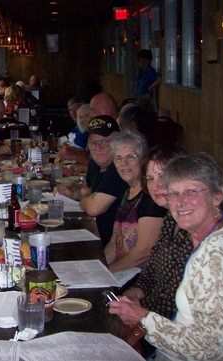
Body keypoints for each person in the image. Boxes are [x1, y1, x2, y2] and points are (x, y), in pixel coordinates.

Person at [109, 153, 223, 361]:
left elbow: (210, 348)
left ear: (217, 196)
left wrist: (142, 318)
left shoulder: (215, 256)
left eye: (191, 192)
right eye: (174, 194)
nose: (180, 203)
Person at [123, 143, 191, 335]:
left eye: (163, 176)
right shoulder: (170, 218)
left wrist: (140, 312)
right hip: (149, 317)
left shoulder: (192, 227)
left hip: (167, 330)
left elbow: (173, 300)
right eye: (150, 178)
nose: (156, 185)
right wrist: (134, 292)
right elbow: (152, 270)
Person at [56, 115, 128, 247]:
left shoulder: (119, 169)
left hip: (108, 244)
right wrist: (72, 193)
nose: (98, 147)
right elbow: (88, 190)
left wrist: (84, 196)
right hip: (93, 233)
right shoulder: (95, 164)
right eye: (93, 142)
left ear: (118, 143)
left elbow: (94, 208)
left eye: (105, 141)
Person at [103, 130, 166, 272]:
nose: (123, 163)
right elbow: (114, 243)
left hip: (142, 280)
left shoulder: (152, 197)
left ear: (143, 160)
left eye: (130, 157)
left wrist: (106, 273)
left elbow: (143, 252)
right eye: (118, 158)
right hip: (123, 272)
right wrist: (98, 270)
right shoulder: (127, 193)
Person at [57, 101, 91, 166]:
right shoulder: (88, 133)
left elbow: (96, 166)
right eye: (81, 117)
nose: (83, 120)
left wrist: (74, 155)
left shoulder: (98, 135)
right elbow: (86, 154)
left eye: (87, 115)